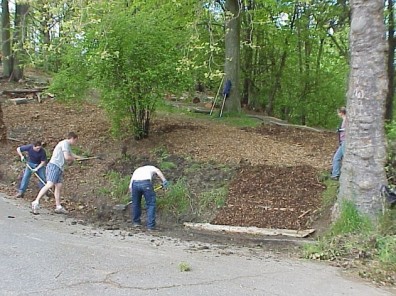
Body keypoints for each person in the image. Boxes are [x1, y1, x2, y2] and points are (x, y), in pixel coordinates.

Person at [31, 132, 84, 214]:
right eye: (75, 140)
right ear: (72, 138)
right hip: (54, 166)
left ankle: (58, 206)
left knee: (58, 186)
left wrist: (80, 158)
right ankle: (36, 201)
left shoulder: (67, 145)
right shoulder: (64, 143)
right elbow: (67, 157)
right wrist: (73, 159)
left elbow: (71, 154)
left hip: (59, 168)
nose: (75, 143)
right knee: (50, 184)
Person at [129, 165, 169, 230]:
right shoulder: (151, 167)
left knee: (136, 204)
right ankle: (150, 226)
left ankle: (136, 222)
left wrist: (133, 195)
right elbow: (158, 171)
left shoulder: (137, 170)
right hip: (145, 183)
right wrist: (164, 180)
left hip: (135, 184)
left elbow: (130, 186)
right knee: (151, 204)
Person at [331, 107, 347, 180]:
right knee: (336, 158)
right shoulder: (343, 120)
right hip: (342, 141)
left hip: (345, 141)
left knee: (346, 158)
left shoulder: (347, 120)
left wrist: (340, 130)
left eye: (338, 112)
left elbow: (348, 129)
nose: (338, 114)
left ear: (341, 113)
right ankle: (335, 174)